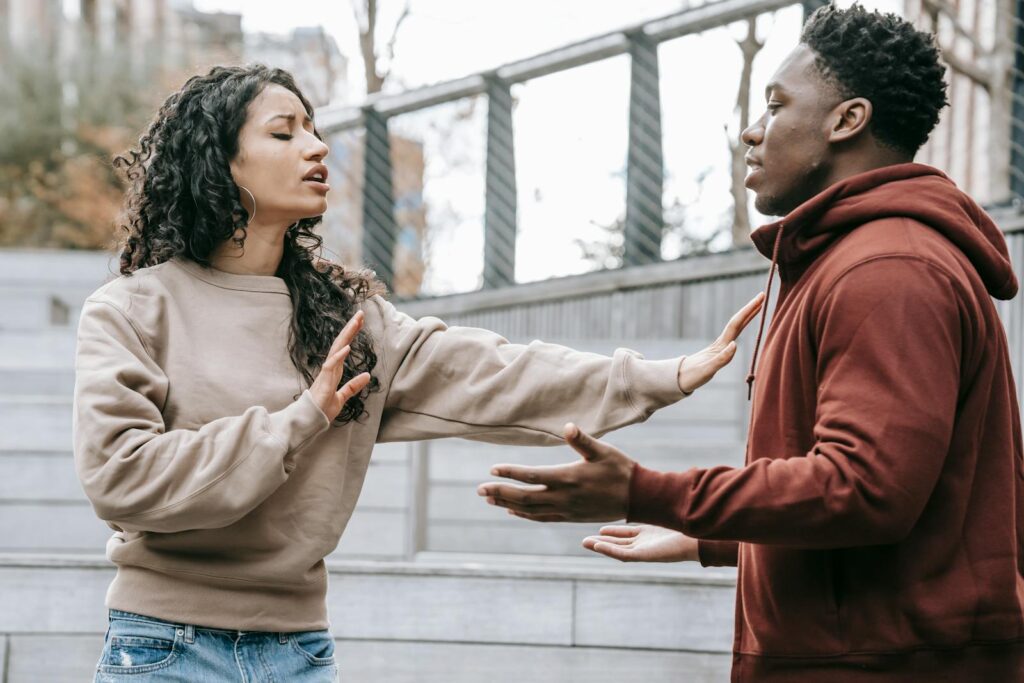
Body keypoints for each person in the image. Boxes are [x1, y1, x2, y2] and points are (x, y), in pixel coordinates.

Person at [72, 63, 762, 682]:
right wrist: (301, 418)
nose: (317, 148)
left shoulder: (349, 319)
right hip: (164, 650)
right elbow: (122, 475)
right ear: (218, 162)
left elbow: (492, 373)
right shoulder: (133, 310)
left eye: (315, 130)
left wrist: (658, 376)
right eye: (285, 134)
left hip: (299, 652)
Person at [478, 5, 1024, 681]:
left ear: (846, 120)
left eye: (775, 105)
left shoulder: (889, 271)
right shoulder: (854, 259)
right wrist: (709, 539)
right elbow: (881, 509)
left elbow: (866, 490)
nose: (751, 130)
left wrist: (644, 489)